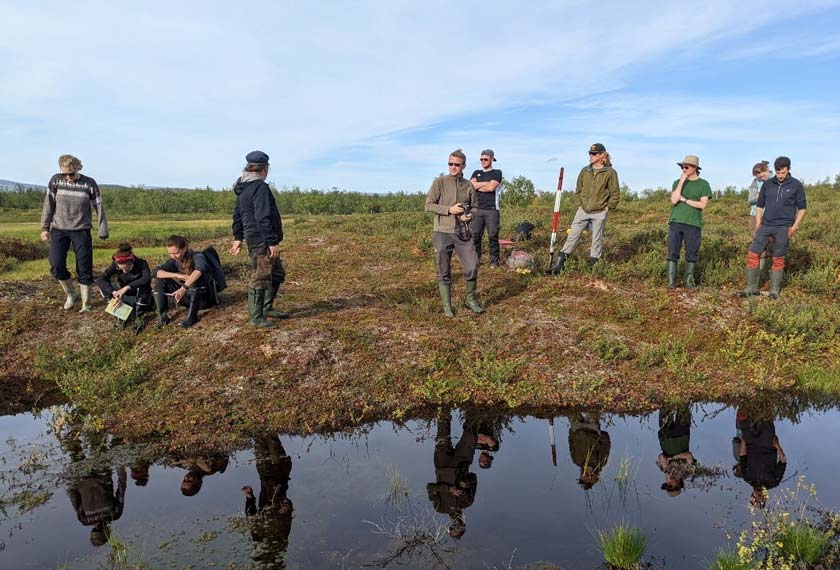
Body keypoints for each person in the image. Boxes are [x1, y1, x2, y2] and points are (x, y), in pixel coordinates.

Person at [40, 154, 110, 312]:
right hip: (59, 229)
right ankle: (71, 294)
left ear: (78, 168)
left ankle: (86, 302)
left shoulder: (89, 183)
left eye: (71, 173)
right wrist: (44, 228)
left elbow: (99, 206)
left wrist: (103, 228)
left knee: (84, 266)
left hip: (81, 230)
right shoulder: (55, 181)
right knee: (56, 264)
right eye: (64, 173)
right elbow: (48, 205)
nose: (68, 177)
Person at [231, 150, 287, 327]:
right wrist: (272, 242)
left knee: (276, 274)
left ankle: (266, 307)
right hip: (261, 239)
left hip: (255, 237)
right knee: (261, 276)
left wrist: (238, 237)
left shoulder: (243, 186)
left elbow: (238, 215)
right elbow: (263, 217)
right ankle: (257, 318)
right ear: (264, 168)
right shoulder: (259, 187)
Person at [425, 149, 483, 316]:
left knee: (472, 265)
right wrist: (449, 209)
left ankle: (470, 299)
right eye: (450, 164)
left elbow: (475, 207)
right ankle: (447, 306)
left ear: (463, 165)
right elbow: (428, 204)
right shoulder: (440, 182)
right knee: (443, 268)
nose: (453, 167)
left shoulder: (468, 185)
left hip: (463, 233)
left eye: (456, 164)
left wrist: (469, 215)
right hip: (442, 231)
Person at [738, 156, 806, 299]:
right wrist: (758, 224)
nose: (780, 176)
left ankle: (774, 291)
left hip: (784, 227)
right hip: (765, 225)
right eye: (778, 172)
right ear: (774, 170)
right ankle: (751, 288)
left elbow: (802, 208)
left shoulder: (796, 185)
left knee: (778, 258)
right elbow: (759, 205)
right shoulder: (768, 184)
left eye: (783, 172)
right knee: (753, 254)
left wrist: (794, 227)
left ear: (789, 169)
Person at [549, 143, 620, 273]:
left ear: (602, 155)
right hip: (583, 211)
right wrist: (580, 204)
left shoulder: (610, 173)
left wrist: (608, 208)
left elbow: (615, 194)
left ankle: (593, 268)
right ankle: (559, 267)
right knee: (572, 236)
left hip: (600, 211)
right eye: (590, 153)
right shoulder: (584, 171)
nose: (591, 156)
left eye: (594, 154)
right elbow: (578, 190)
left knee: (596, 241)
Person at [427, 409, 478, 539]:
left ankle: (443, 401)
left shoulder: (440, 508)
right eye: (460, 527)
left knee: (442, 430)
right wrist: (463, 484)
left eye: (454, 528)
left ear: (450, 526)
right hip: (462, 463)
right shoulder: (467, 502)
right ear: (463, 523)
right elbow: (473, 478)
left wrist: (449, 489)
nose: (457, 524)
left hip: (442, 463)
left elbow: (430, 488)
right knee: (471, 433)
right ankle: (472, 402)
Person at [666, 155, 713, 289]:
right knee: (672, 251)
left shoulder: (703, 184)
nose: (683, 169)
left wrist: (685, 200)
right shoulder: (677, 182)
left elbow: (703, 205)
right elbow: (674, 200)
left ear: (695, 168)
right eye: (682, 167)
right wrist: (681, 182)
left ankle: (689, 282)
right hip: (676, 221)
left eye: (686, 167)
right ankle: (670, 283)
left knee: (691, 252)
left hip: (693, 223)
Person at [151, 235, 219, 328]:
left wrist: (183, 288)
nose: (173, 256)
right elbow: (155, 272)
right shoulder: (175, 260)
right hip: (188, 296)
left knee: (197, 282)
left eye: (176, 253)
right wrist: (176, 275)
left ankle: (192, 317)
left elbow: (200, 269)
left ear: (184, 248)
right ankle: (163, 317)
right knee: (160, 280)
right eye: (170, 253)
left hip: (203, 299)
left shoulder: (198, 256)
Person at [732, 413, 787, 509]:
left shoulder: (747, 477)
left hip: (751, 444)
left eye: (756, 496)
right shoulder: (774, 482)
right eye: (761, 497)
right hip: (768, 444)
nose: (758, 494)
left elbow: (743, 456)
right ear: (765, 497)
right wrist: (777, 445)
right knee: (765, 415)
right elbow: (783, 462)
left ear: (752, 495)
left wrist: (744, 440)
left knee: (743, 415)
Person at [95, 242, 152, 332]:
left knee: (143, 286)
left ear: (132, 262)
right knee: (105, 287)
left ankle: (139, 317)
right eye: (121, 269)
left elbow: (147, 278)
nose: (125, 271)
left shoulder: (141, 263)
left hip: (141, 297)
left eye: (128, 268)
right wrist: (113, 292)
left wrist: (128, 287)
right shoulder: (115, 265)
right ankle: (120, 315)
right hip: (124, 296)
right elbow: (101, 279)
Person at [469, 149, 503, 268]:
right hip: (477, 208)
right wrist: (486, 183)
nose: (483, 161)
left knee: (493, 235)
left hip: (492, 209)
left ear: (492, 159)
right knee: (475, 235)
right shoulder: (476, 172)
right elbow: (471, 186)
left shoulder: (497, 172)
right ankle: (475, 259)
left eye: (485, 159)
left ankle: (494, 261)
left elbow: (491, 188)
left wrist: (478, 185)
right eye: (481, 159)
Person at [657, 405, 696, 497]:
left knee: (665, 408)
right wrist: (674, 457)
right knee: (683, 407)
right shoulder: (687, 471)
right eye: (671, 486)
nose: (669, 483)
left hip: (666, 437)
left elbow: (660, 456)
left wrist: (666, 468)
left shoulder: (665, 469)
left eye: (667, 485)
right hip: (682, 435)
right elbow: (689, 456)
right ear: (678, 485)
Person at [567, 412, 611, 490]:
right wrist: (600, 434)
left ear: (581, 476)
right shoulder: (600, 462)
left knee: (570, 409)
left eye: (584, 478)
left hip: (577, 428)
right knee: (593, 409)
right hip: (592, 429)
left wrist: (572, 431)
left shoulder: (576, 460)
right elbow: (606, 444)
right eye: (590, 478)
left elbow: (571, 443)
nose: (588, 476)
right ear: (595, 477)